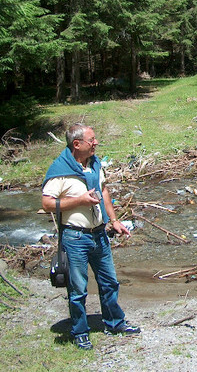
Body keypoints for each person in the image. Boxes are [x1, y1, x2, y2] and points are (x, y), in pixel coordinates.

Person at [41, 123, 140, 350]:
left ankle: (115, 323)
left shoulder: (94, 163)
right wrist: (79, 201)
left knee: (109, 281)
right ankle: (80, 332)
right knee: (77, 289)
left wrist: (114, 221)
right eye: (91, 140)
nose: (96, 143)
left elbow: (104, 190)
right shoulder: (60, 170)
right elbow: (46, 203)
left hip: (99, 234)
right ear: (77, 144)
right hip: (75, 237)